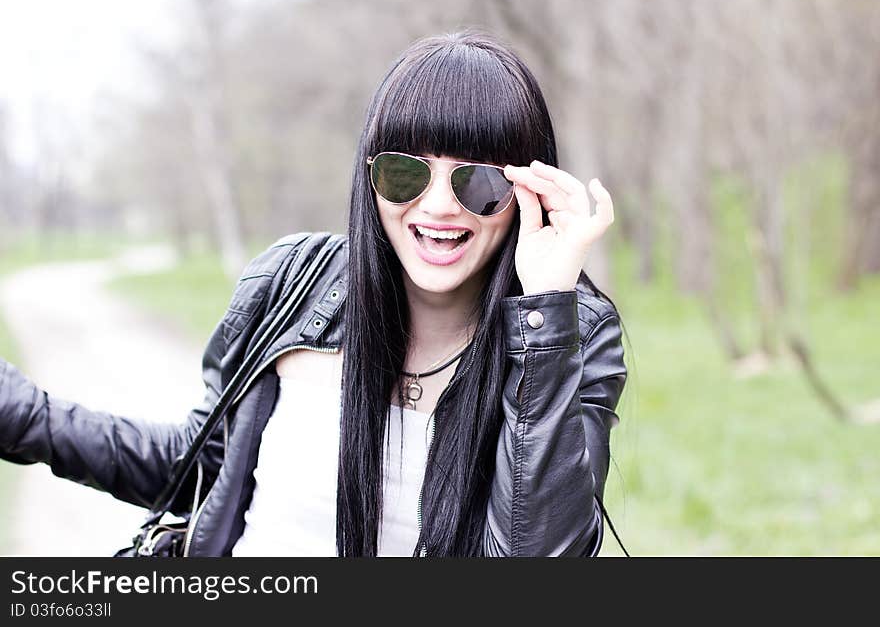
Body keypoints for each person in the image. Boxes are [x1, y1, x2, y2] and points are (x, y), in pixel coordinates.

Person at [0, 29, 627, 557]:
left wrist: (545, 308)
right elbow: (201, 474)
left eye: (479, 182)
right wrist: (22, 413)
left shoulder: (571, 331)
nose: (437, 206)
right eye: (406, 171)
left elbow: (541, 558)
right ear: (370, 175)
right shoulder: (293, 282)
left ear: (529, 188)